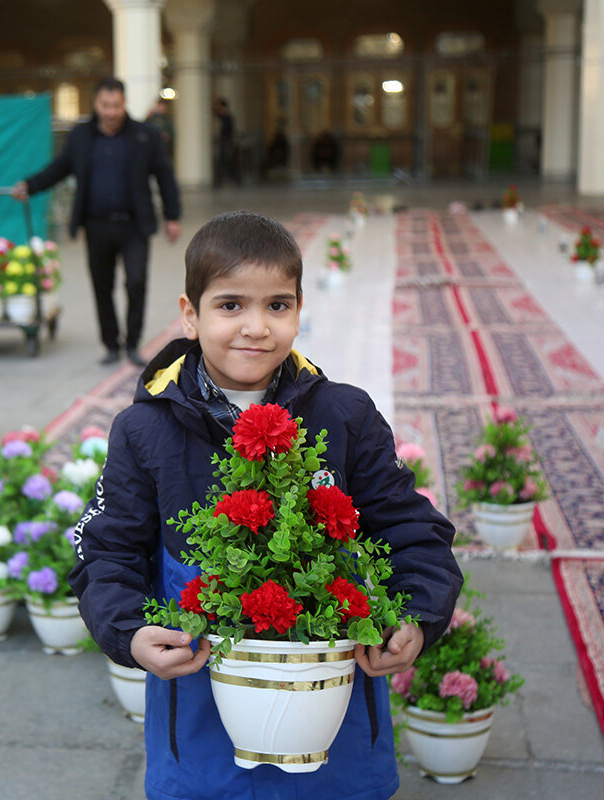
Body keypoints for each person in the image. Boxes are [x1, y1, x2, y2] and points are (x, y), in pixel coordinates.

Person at [68, 210, 464, 800]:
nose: (256, 326)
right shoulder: (142, 431)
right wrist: (129, 631)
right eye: (231, 305)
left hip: (337, 721)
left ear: (300, 310)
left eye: (277, 305)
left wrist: (418, 617)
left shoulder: (344, 417)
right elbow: (106, 552)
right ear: (189, 313)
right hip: (200, 721)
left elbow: (412, 529)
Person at [11, 77, 181, 368]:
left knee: (136, 282)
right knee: (102, 286)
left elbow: (164, 175)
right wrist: (30, 185)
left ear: (124, 103)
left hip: (134, 226)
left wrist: (172, 216)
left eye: (116, 105)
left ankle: (132, 345)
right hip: (96, 225)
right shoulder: (81, 137)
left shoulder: (144, 136)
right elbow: (60, 168)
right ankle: (111, 344)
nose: (111, 112)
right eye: (105, 105)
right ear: (96, 104)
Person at [213, 98, 240, 187]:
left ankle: (236, 179)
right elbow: (216, 113)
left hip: (227, 143)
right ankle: (219, 181)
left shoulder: (228, 118)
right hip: (224, 142)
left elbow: (230, 132)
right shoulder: (223, 117)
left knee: (226, 162)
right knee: (223, 162)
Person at [146, 97, 175, 163]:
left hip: (164, 150)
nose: (162, 108)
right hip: (151, 150)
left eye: (164, 106)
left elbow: (171, 136)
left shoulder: (167, 120)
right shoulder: (151, 118)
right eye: (161, 105)